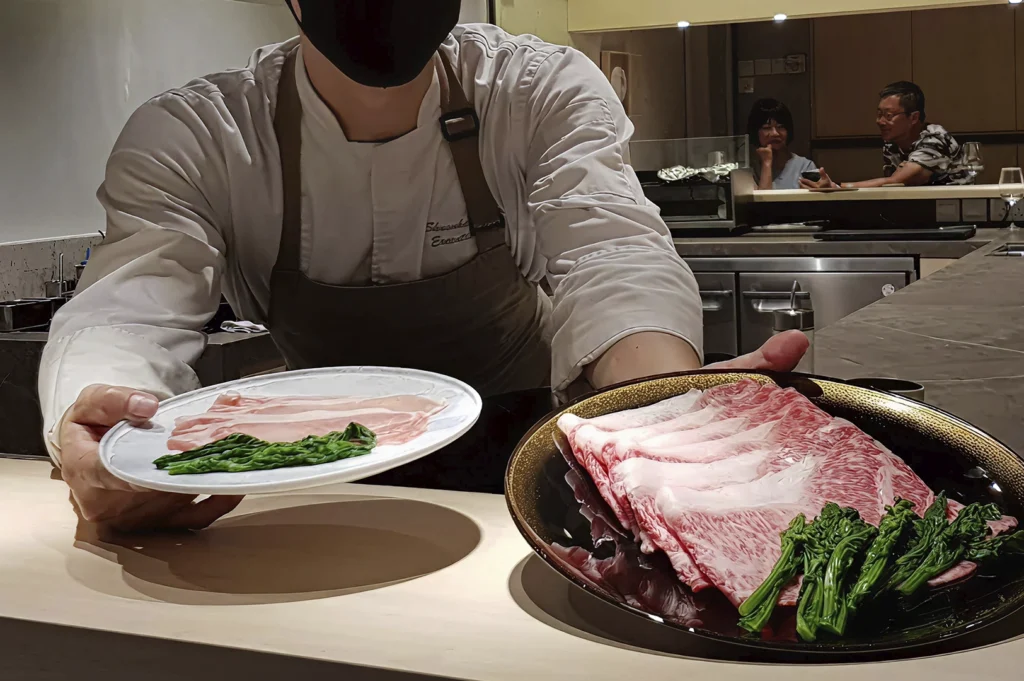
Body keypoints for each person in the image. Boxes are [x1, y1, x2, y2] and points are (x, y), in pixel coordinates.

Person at [41, 0, 809, 532]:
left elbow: (614, 256)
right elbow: (125, 311)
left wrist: (663, 407)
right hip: (321, 478)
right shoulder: (200, 136)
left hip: (524, 473)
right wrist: (101, 434)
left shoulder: (536, 91)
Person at [800, 81, 969, 189]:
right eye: (879, 114)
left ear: (913, 117)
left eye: (888, 115)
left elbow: (895, 181)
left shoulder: (934, 138)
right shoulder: (892, 143)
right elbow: (895, 186)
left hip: (954, 213)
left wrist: (837, 187)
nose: (880, 121)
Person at [747, 98, 817, 190]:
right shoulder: (748, 171)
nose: (775, 133)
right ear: (755, 132)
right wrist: (766, 163)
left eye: (780, 127)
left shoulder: (805, 166)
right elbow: (763, 199)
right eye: (767, 128)